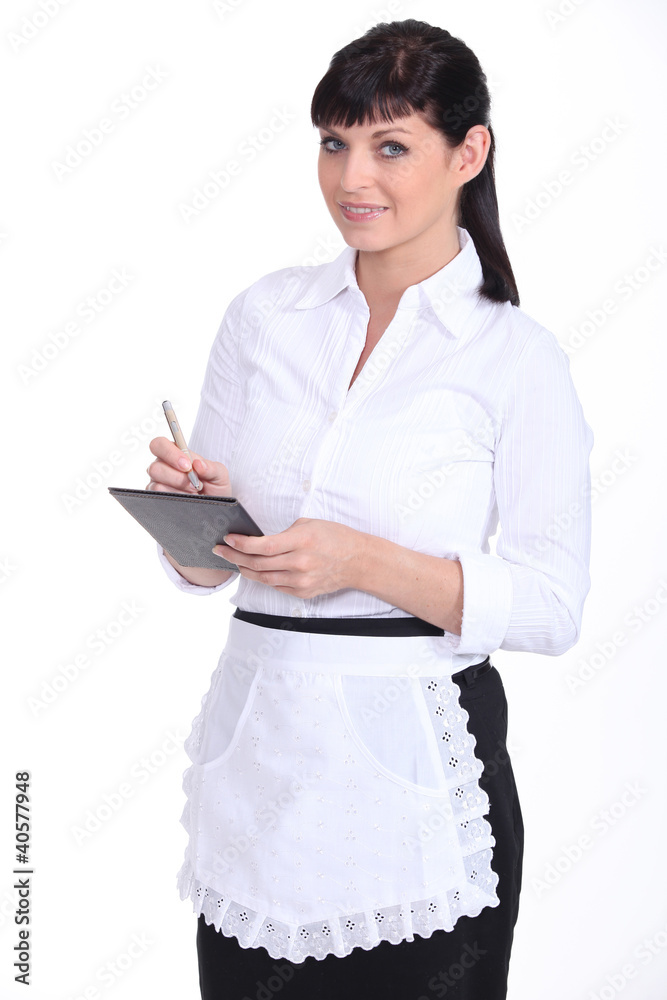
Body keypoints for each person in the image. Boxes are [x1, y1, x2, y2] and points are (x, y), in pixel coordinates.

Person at [147, 18, 593, 1000]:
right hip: (260, 764)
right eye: (334, 142)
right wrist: (192, 521)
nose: (353, 177)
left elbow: (555, 603)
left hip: (422, 776)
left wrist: (365, 563)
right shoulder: (265, 317)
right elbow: (210, 566)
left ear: (466, 153)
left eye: (391, 146)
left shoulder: (514, 360)